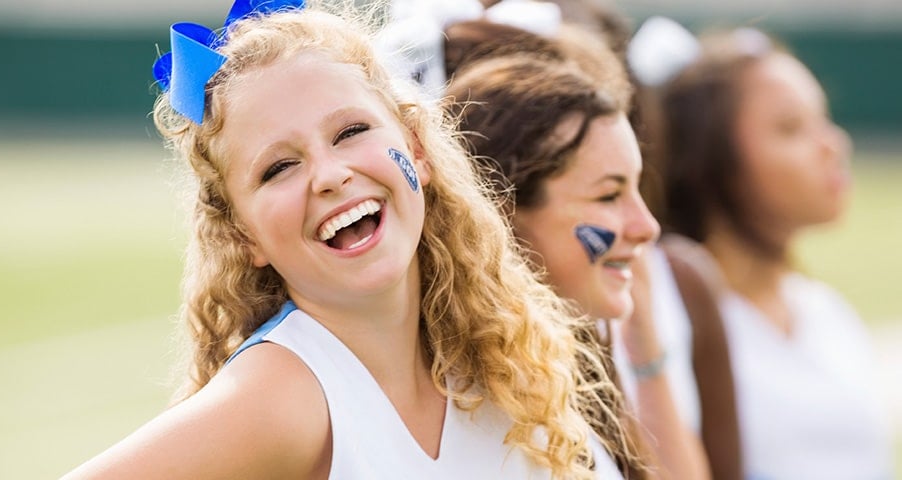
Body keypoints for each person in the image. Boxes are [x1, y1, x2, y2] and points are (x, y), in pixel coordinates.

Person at [62, 1, 644, 478]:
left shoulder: (508, 347)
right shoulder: (286, 395)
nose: (330, 173)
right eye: (278, 168)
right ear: (243, 235)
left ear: (417, 147)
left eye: (351, 131)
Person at [441, 19, 710, 480]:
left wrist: (644, 349)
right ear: (499, 216)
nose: (645, 227)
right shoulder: (454, 401)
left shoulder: (567, 365)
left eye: (637, 189)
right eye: (609, 196)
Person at [652, 26, 895, 480]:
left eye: (824, 119)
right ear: (714, 160)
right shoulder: (670, 316)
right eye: (790, 128)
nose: (833, 145)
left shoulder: (822, 308)